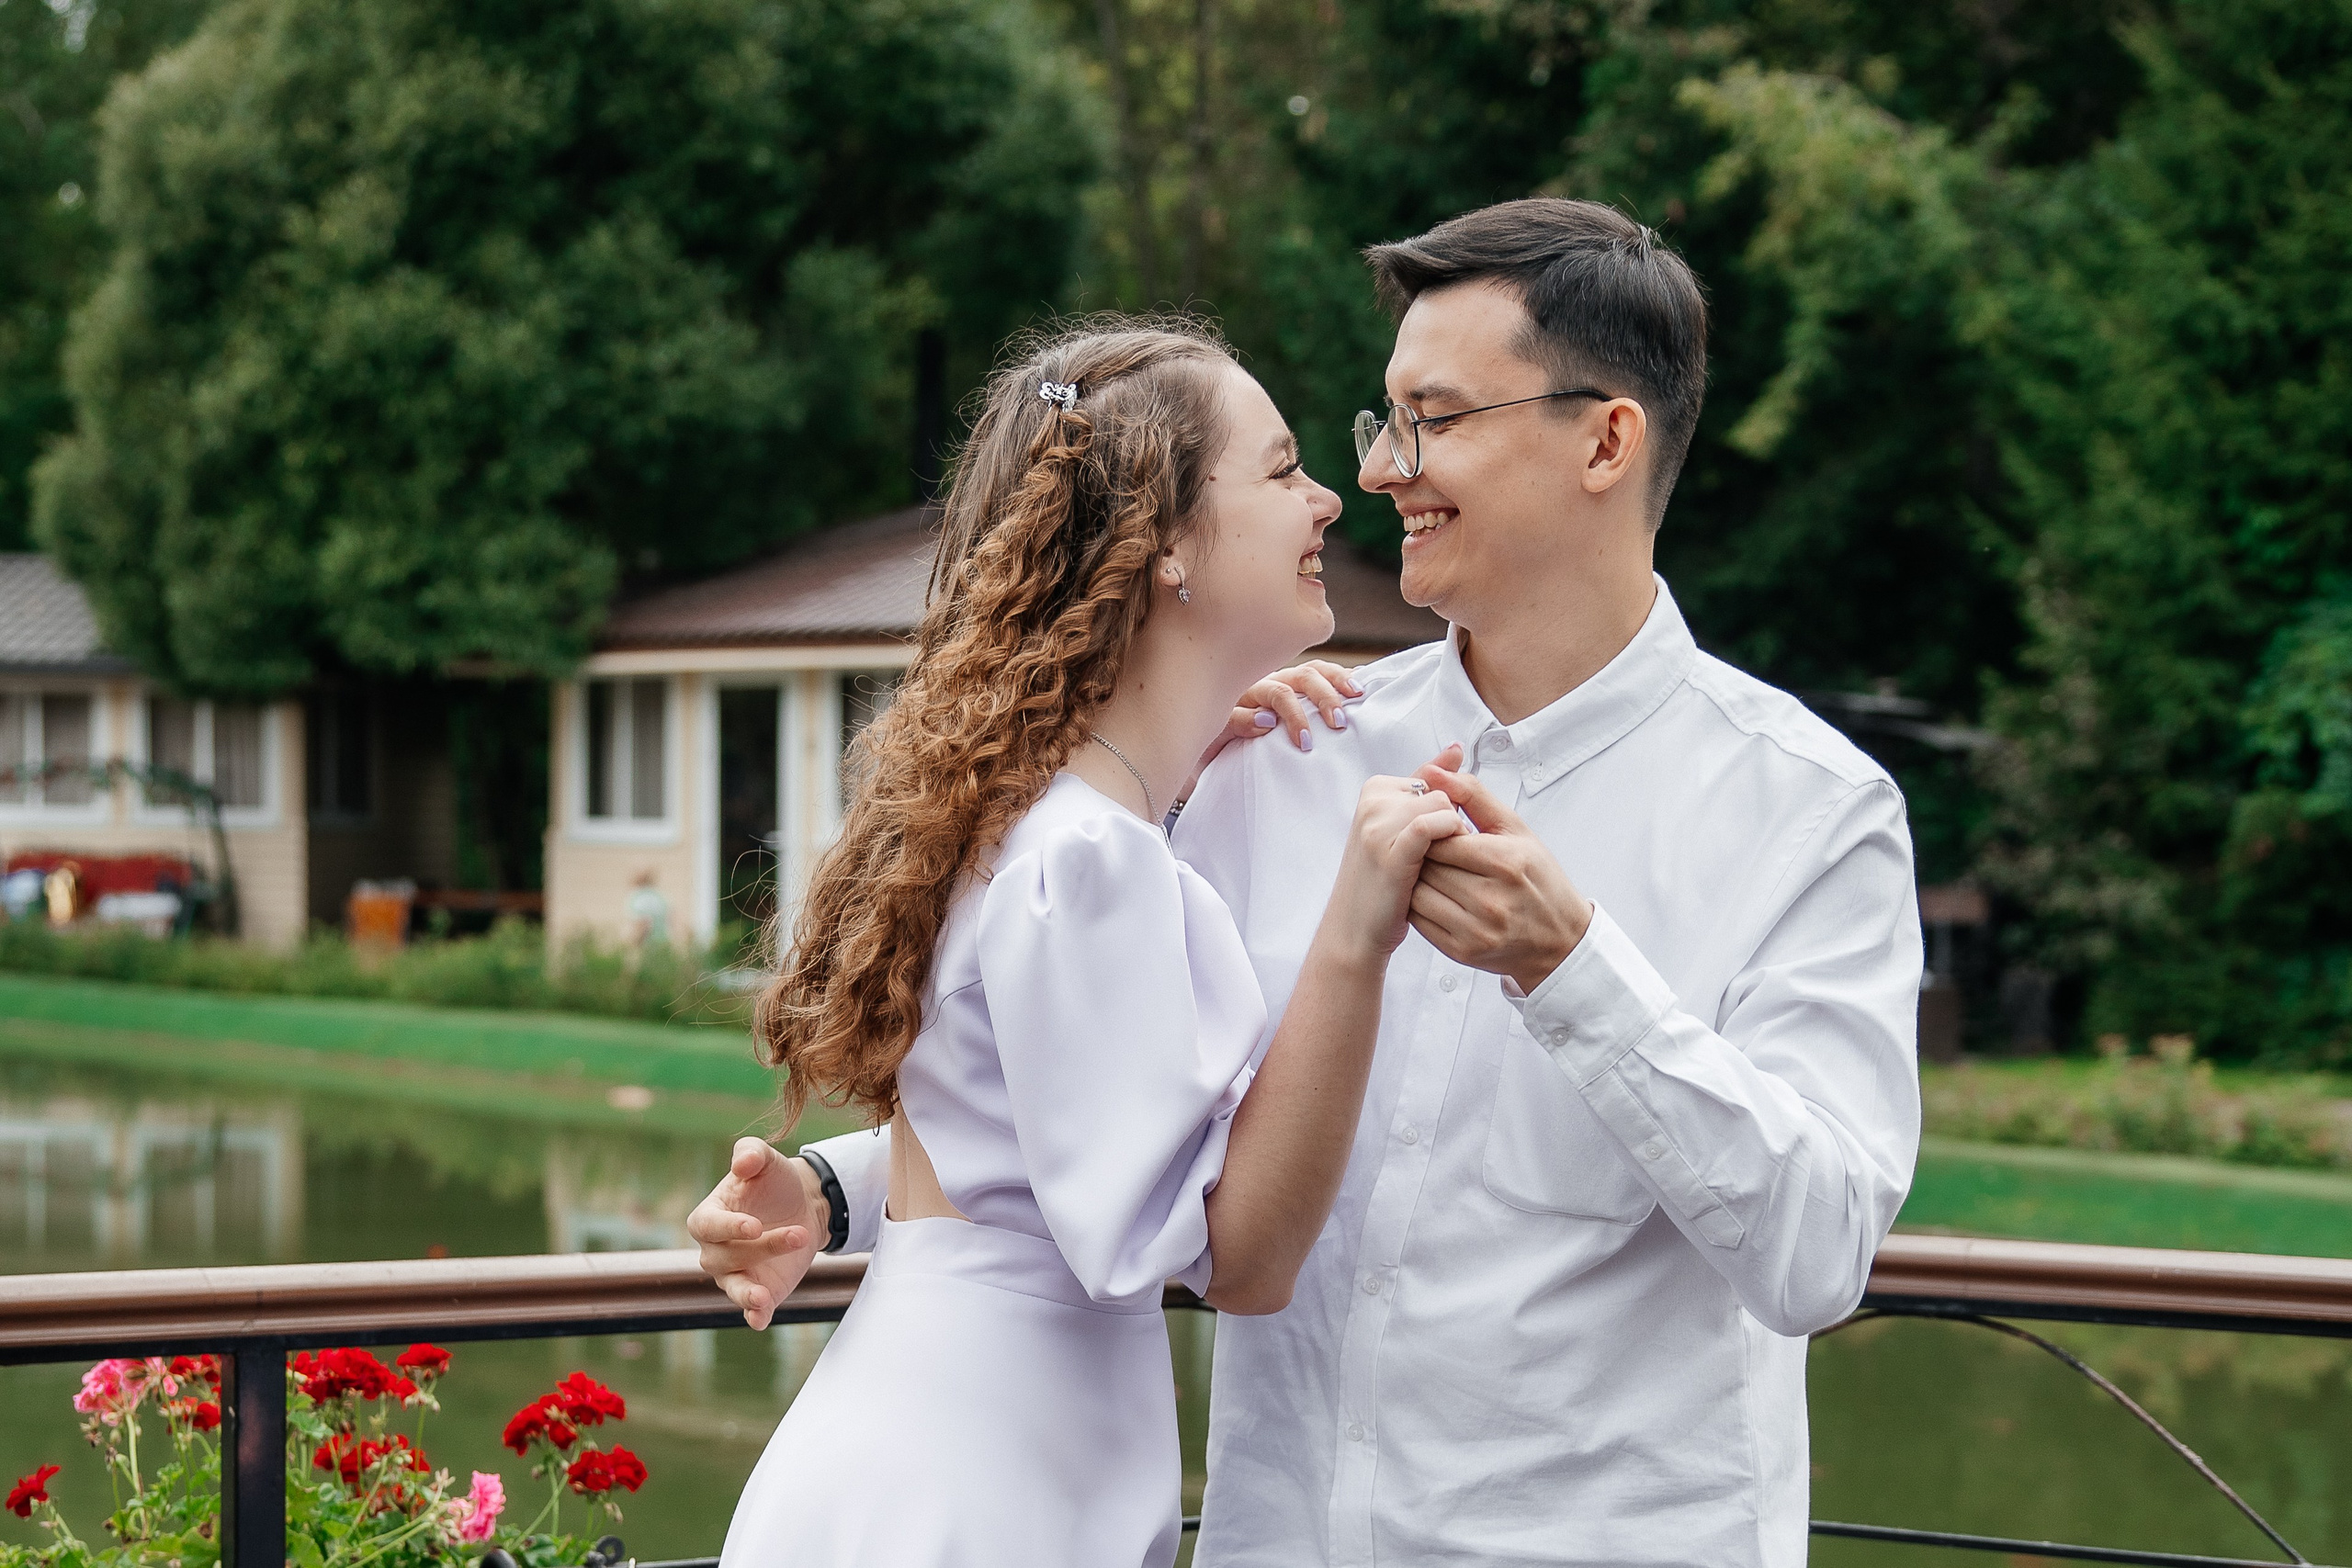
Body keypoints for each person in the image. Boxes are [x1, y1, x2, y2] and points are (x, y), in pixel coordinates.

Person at [695, 200, 1923, 1567]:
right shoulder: (1277, 757)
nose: (1385, 470)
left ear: (1607, 438)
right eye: (1375, 424)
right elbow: (1116, 1098)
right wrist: (845, 1193)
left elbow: (1819, 1255)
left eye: (1435, 418)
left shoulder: (1810, 812)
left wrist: (1573, 969)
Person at [711, 319, 1467, 1568]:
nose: (1333, 498)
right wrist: (1356, 925)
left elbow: (995, 1151)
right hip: (983, 1500)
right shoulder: (1094, 859)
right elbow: (1243, 1256)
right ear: (1166, 541)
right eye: (1282, 470)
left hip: (925, 1462)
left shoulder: (1047, 825)